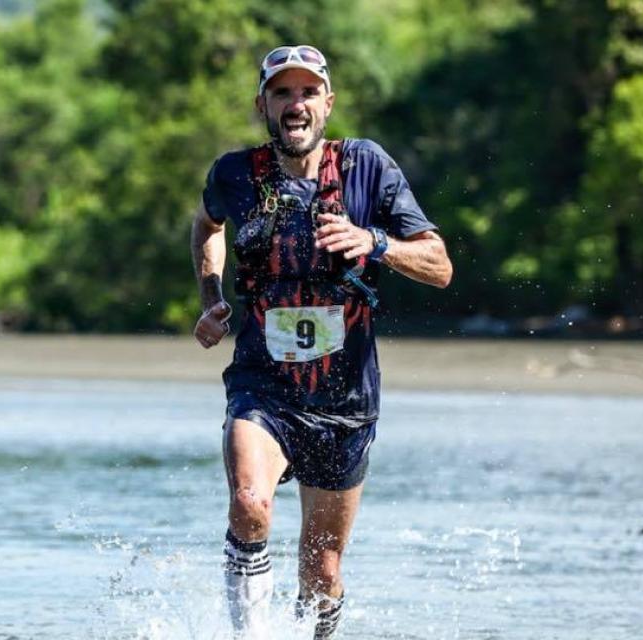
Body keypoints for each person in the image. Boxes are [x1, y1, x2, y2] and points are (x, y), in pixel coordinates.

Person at [190, 45, 453, 639]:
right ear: (264, 105)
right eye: (282, 93)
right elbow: (207, 225)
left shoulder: (367, 168)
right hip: (263, 387)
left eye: (308, 92)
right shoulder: (234, 174)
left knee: (323, 568)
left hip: (345, 400)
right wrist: (211, 297)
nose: (296, 104)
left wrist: (374, 242)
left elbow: (439, 266)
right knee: (251, 503)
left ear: (327, 105)